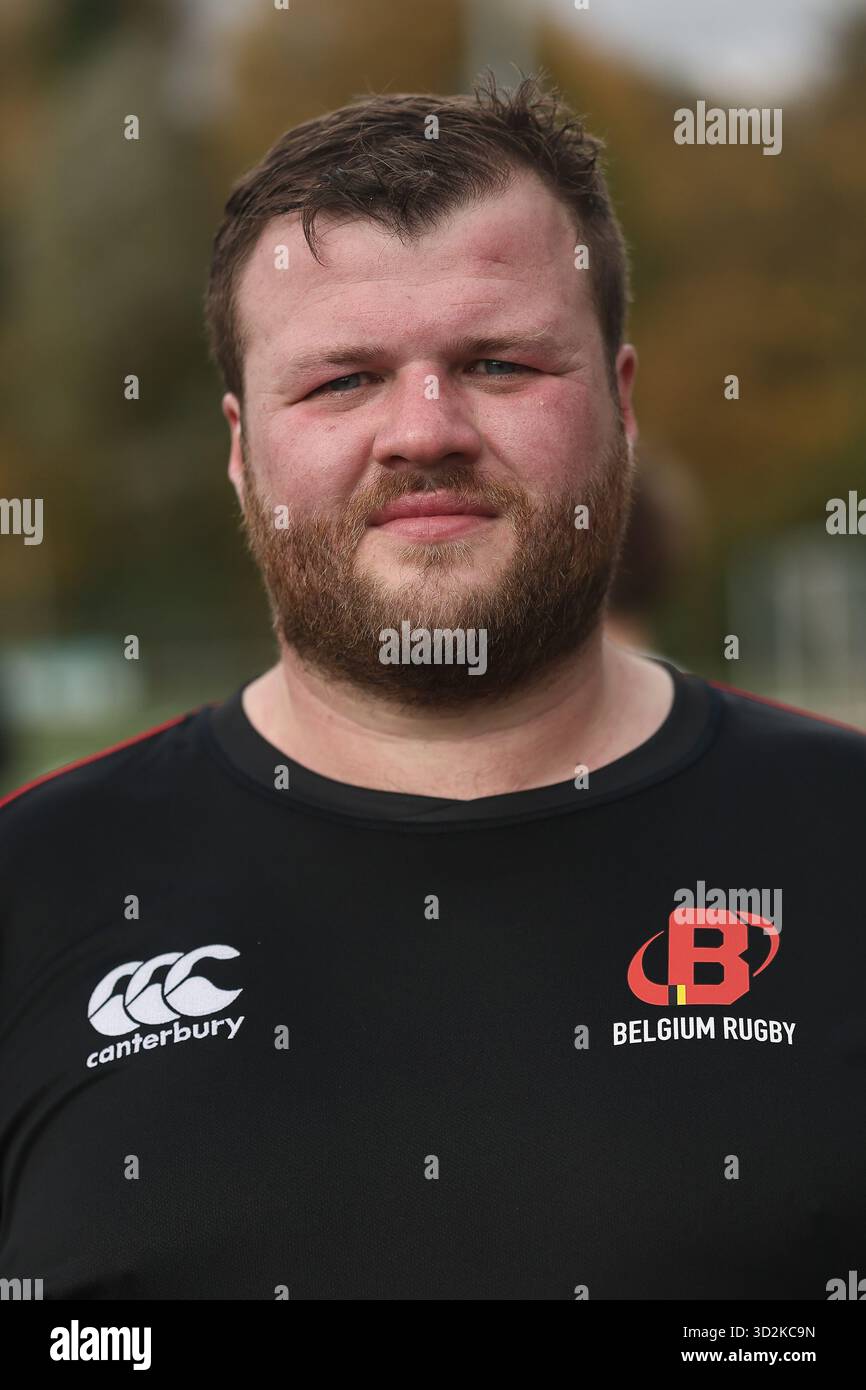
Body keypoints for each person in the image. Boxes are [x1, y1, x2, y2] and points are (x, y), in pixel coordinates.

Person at [1, 74, 864, 1302]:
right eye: (342, 379)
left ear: (621, 407)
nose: (423, 430)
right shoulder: (35, 892)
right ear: (243, 452)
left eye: (499, 362)